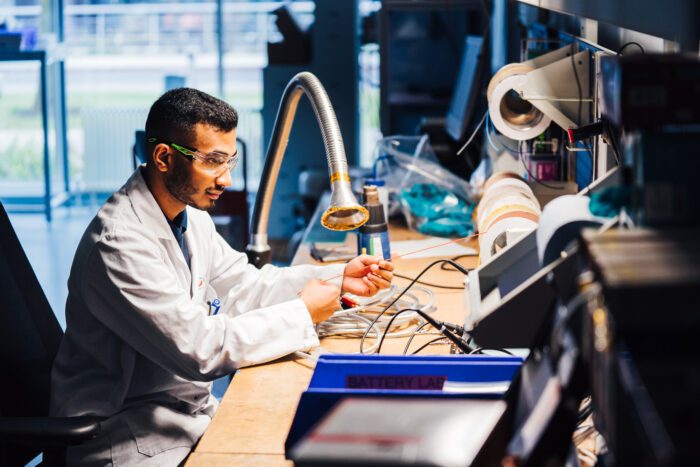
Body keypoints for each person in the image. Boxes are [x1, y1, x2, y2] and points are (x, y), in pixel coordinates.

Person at [50, 88, 394, 466]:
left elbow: (242, 286)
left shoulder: (189, 215)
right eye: (213, 161)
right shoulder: (119, 243)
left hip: (183, 419)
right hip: (129, 439)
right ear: (164, 157)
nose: (226, 179)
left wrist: (336, 279)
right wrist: (302, 312)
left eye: (229, 160)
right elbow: (200, 351)